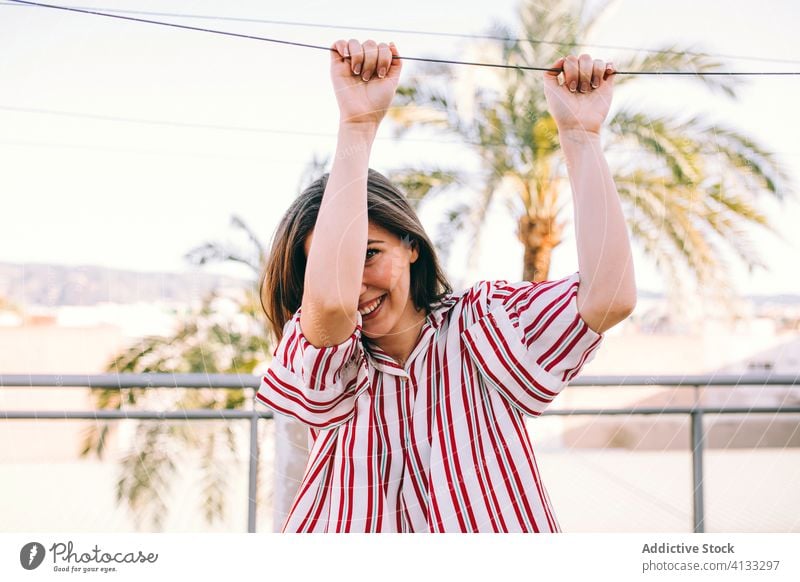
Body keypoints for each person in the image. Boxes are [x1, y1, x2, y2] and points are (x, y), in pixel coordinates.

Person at [257, 39, 636, 532]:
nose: (354, 287)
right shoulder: (322, 365)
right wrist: (356, 127)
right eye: (334, 265)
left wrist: (581, 136)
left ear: (412, 245)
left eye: (369, 255)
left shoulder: (484, 325)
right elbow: (330, 302)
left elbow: (611, 297)